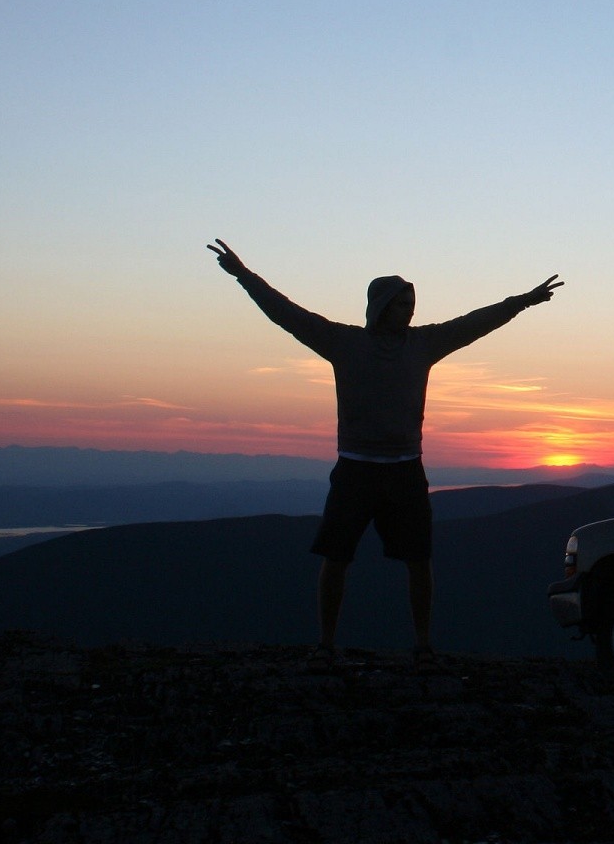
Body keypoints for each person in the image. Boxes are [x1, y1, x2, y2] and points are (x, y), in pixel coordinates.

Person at [207, 239, 561, 671]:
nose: (409, 310)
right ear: (380, 306)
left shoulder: (424, 343)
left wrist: (523, 301)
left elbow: (475, 323)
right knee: (336, 559)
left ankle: (423, 645)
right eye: (401, 303)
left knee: (418, 560)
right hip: (355, 469)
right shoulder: (342, 342)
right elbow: (286, 313)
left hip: (405, 471)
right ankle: (325, 644)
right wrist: (244, 275)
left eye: (412, 302)